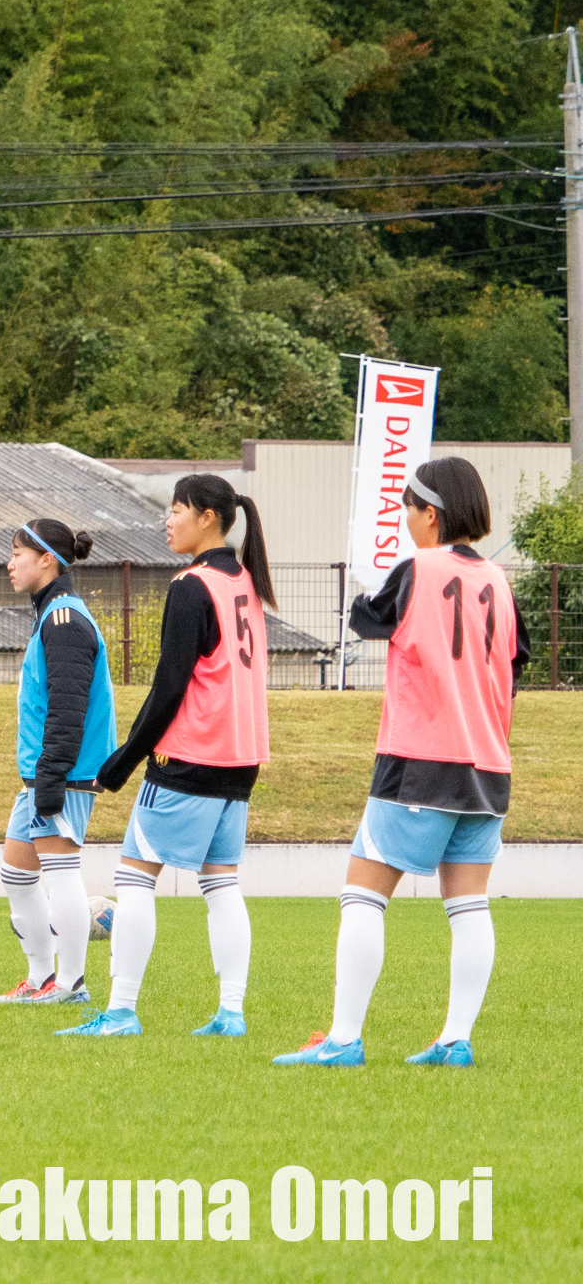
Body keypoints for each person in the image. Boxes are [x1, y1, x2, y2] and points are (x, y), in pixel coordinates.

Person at [276, 457, 526, 1068]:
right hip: (489, 767)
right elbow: (513, 669)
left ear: (430, 514)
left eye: (408, 509)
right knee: (468, 905)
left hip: (420, 761)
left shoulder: (418, 568)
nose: (404, 519)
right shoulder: (499, 581)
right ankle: (455, 1041)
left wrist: (370, 581)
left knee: (363, 895)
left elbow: (366, 619)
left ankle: (342, 1041)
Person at [62, 473, 273, 1040]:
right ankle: (231, 1013)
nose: (168, 519)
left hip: (190, 756)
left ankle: (121, 1013)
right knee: (221, 884)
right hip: (241, 759)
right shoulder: (246, 581)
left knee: (134, 879)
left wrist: (123, 760)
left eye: (177, 509)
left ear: (207, 517)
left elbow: (170, 687)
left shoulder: (191, 585)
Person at [0, 519, 116, 1007]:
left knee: (60, 872)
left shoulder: (63, 620)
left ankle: (71, 984)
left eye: (17, 553)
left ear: (47, 559)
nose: (9, 563)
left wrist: (51, 776)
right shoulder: (52, 615)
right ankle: (41, 977)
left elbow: (68, 708)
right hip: (44, 772)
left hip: (64, 773)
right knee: (17, 875)